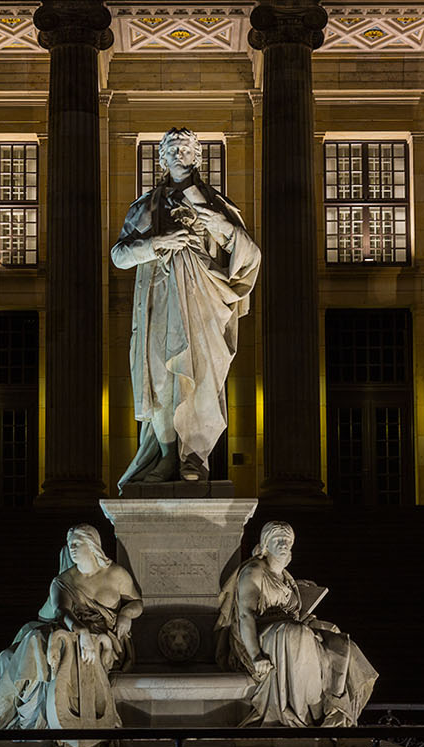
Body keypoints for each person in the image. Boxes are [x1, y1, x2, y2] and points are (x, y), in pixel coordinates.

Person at [111, 128, 261, 486]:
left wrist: (226, 229)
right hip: (160, 302)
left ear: (197, 156)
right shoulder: (144, 207)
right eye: (172, 149)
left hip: (205, 302)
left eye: (186, 148)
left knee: (202, 381)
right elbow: (119, 256)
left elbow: (251, 256)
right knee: (162, 381)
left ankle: (194, 455)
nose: (179, 153)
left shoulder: (220, 206)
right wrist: (156, 242)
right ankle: (165, 457)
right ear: (161, 158)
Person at [0, 525, 143, 747]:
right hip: (73, 631)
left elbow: (137, 602)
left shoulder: (116, 574)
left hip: (107, 636)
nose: (72, 548)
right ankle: (32, 719)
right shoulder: (63, 580)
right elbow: (62, 611)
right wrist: (82, 632)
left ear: (92, 544)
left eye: (77, 543)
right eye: (70, 544)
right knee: (30, 646)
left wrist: (127, 614)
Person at [215, 521, 378, 727]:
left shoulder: (286, 577)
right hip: (259, 635)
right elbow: (246, 616)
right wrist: (256, 655)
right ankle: (307, 717)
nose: (283, 543)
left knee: (339, 641)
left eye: (287, 540)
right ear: (266, 543)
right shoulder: (254, 571)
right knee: (297, 634)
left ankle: (335, 710)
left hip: (286, 627)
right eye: (277, 539)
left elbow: (293, 614)